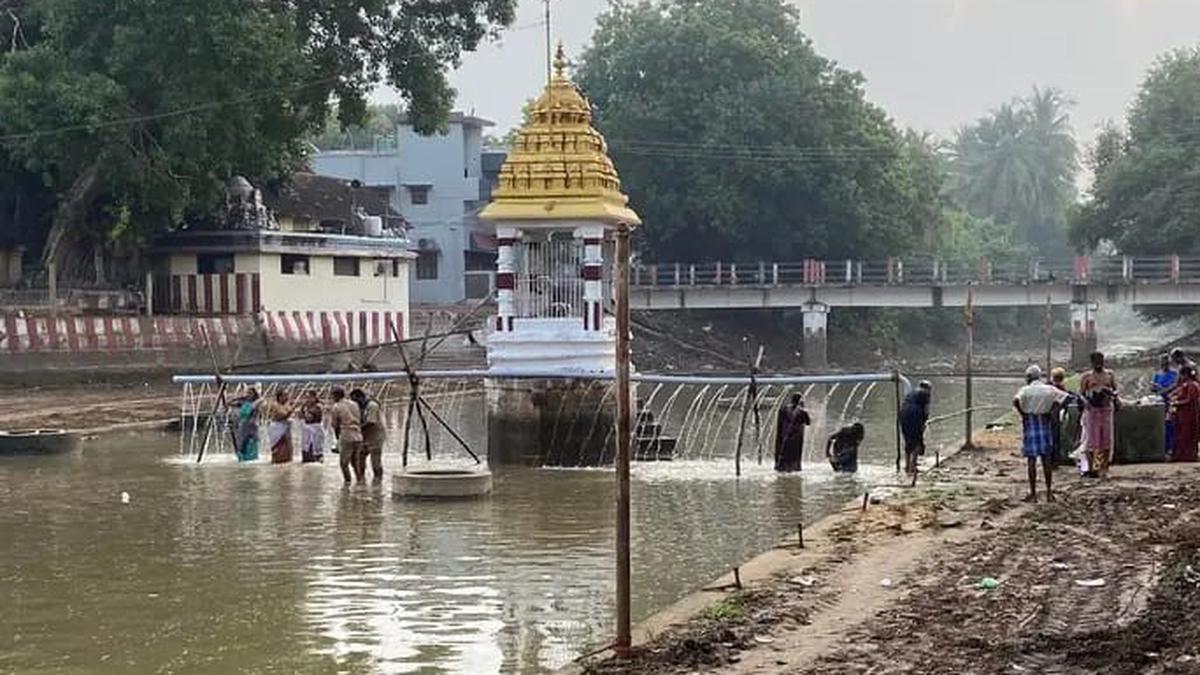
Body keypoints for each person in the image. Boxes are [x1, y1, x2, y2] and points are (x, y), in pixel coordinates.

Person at [1013, 365, 1067, 502]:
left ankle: (1033, 493)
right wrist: (1052, 411)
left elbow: (1015, 401)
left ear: (1028, 378)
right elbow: (1064, 398)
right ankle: (1049, 492)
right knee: (1046, 459)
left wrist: (1023, 413)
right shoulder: (1048, 389)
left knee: (1031, 459)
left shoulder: (1025, 390)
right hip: (1044, 421)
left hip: (1030, 422)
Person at [1080, 351, 1119, 479]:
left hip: (1106, 410)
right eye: (1095, 362)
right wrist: (1087, 401)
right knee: (1092, 441)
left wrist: (1110, 393)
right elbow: (1081, 394)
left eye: (1100, 362)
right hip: (1092, 411)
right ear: (1092, 363)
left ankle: (1104, 467)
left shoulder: (1109, 374)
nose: (1098, 364)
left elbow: (1116, 390)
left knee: (1106, 440)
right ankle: (1092, 468)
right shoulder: (1087, 376)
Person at [330, 386, 365, 483]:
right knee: (355, 462)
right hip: (358, 435)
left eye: (333, 396)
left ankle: (347, 483)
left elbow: (335, 425)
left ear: (336, 396)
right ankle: (360, 482)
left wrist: (337, 439)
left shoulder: (336, 407)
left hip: (346, 435)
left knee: (344, 464)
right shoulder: (354, 404)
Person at [1050, 367, 1083, 466]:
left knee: (1053, 438)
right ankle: (1058, 457)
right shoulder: (1064, 391)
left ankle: (1053, 459)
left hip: (1052, 416)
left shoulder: (1050, 388)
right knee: (1060, 438)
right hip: (1062, 416)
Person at [352, 388, 385, 481]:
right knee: (359, 460)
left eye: (355, 400)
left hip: (376, 437)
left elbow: (371, 422)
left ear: (361, 397)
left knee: (375, 462)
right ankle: (361, 481)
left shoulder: (372, 406)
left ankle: (378, 481)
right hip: (364, 436)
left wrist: (357, 428)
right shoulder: (359, 406)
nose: (355, 403)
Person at [899, 381, 932, 475]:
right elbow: (926, 409)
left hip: (903, 414)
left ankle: (907, 465)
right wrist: (924, 422)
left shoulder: (911, 393)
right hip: (915, 415)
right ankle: (913, 465)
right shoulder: (925, 394)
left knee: (908, 440)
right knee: (918, 441)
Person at [1169, 365, 1200, 463]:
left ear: (1185, 374)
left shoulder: (1192, 385)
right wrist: (1174, 397)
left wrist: (1177, 403)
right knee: (1181, 435)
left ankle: (1189, 456)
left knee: (1188, 434)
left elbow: (1190, 400)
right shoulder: (1184, 384)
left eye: (1181, 375)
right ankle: (1182, 455)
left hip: (1189, 415)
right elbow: (1178, 393)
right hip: (1182, 415)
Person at [774, 394, 811, 472]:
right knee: (795, 456)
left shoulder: (783, 409)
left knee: (783, 454)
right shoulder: (802, 412)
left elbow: (779, 422)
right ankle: (793, 468)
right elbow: (808, 422)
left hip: (785, 435)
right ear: (800, 400)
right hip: (796, 437)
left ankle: (781, 467)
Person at [1152, 354, 1179, 457]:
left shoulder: (1175, 374)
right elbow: (1154, 389)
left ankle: (1171, 449)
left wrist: (1165, 390)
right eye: (1163, 363)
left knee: (1171, 425)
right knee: (1161, 425)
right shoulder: (1157, 375)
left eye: (1166, 363)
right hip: (1160, 403)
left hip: (1172, 402)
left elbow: (1176, 386)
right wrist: (1155, 387)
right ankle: (1163, 448)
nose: (1164, 365)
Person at [265, 390, 296, 464]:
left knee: (288, 450)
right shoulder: (275, 405)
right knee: (279, 450)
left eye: (287, 395)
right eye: (285, 395)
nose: (287, 397)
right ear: (280, 397)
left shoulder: (287, 405)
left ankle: (288, 463)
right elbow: (281, 416)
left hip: (285, 430)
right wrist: (291, 411)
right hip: (278, 430)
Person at [234, 389, 261, 462]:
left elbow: (249, 410)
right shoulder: (243, 403)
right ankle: (242, 459)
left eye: (250, 393)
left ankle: (252, 458)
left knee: (253, 443)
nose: (249, 395)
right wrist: (238, 398)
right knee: (241, 444)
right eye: (247, 393)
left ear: (254, 394)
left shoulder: (257, 402)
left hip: (252, 426)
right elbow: (229, 403)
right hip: (243, 426)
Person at [299, 390, 325, 464]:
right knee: (306, 449)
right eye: (306, 397)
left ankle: (316, 461)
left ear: (314, 397)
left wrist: (304, 413)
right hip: (308, 429)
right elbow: (300, 416)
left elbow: (309, 417)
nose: (307, 399)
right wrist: (303, 408)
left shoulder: (318, 406)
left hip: (315, 430)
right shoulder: (307, 407)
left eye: (309, 397)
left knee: (315, 448)